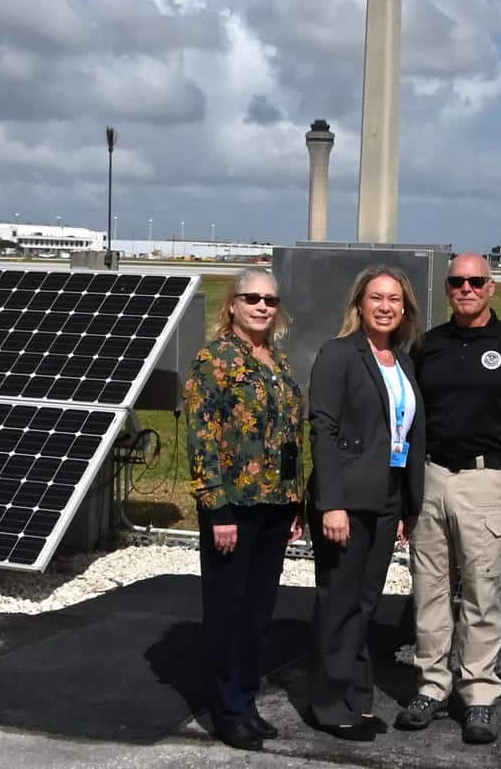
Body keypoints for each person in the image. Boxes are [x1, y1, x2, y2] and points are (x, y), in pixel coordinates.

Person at [397, 253, 501, 744]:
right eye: (457, 281)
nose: (466, 288)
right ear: (447, 288)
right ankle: (432, 685)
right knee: (430, 590)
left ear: (491, 287)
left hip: (488, 480)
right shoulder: (426, 345)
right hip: (432, 478)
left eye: (475, 281)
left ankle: (479, 693)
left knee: (483, 595)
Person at [184, 267, 306, 752]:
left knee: (258, 613)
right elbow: (202, 438)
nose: (261, 306)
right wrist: (217, 509)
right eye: (251, 298)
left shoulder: (277, 362)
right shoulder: (213, 361)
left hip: (275, 506)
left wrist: (296, 499)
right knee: (228, 611)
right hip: (233, 507)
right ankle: (226, 709)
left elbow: (290, 438)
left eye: (270, 301)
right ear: (232, 304)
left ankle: (246, 700)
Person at [307, 264, 426, 741]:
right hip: (347, 502)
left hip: (388, 498)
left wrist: (406, 505)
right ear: (360, 304)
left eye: (394, 299)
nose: (385, 306)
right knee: (338, 602)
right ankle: (329, 705)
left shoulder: (403, 362)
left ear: (405, 309)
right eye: (376, 297)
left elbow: (405, 434)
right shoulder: (339, 355)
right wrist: (331, 503)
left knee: (364, 603)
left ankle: (356, 699)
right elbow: (323, 428)